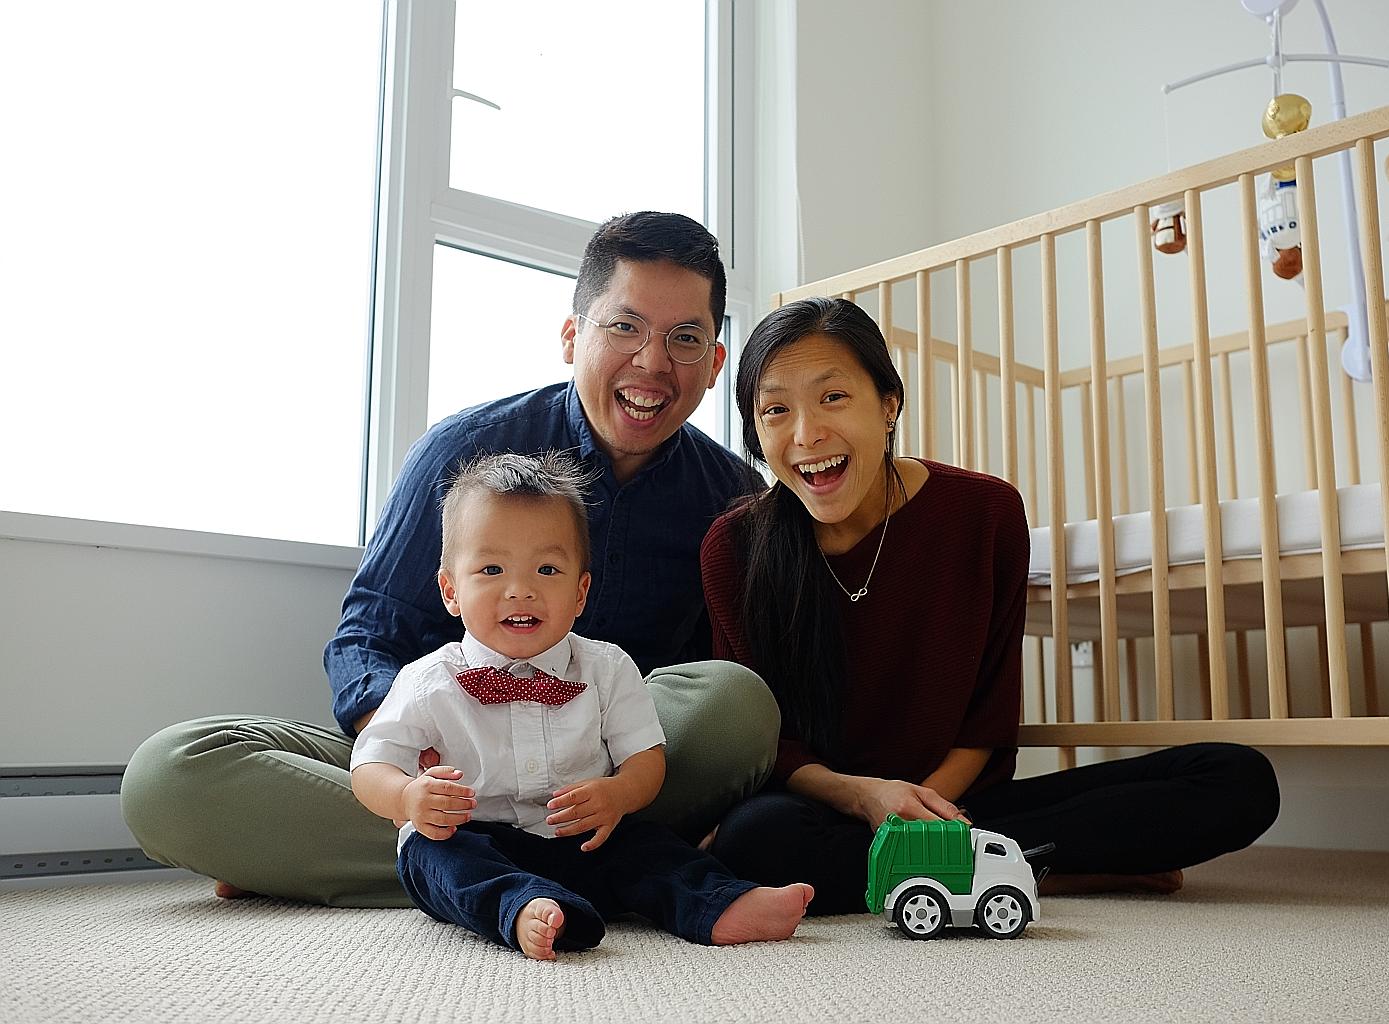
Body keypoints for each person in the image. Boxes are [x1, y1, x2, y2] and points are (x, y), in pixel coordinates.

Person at [121, 212, 775, 907]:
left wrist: (633, 781)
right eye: (625, 327)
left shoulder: (733, 499)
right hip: (443, 778)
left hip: (600, 785)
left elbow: (710, 688)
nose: (652, 362)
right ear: (571, 335)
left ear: (714, 364)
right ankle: (578, 867)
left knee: (738, 705)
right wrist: (409, 771)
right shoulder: (463, 450)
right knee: (169, 776)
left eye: (684, 339)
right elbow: (368, 637)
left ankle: (409, 868)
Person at [701, 296, 1281, 914]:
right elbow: (769, 743)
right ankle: (1044, 870)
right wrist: (864, 796)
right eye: (776, 410)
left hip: (958, 806)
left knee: (1237, 779)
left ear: (889, 404)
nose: (805, 434)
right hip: (823, 804)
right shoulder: (733, 547)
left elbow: (988, 720)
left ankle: (947, 865)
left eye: (833, 397)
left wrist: (922, 821)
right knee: (756, 839)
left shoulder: (986, 513)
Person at [353, 451, 811, 958]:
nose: (520, 590)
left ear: (580, 591)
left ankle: (719, 903)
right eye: (492, 569)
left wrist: (619, 794)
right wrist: (408, 798)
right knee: (431, 854)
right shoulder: (428, 681)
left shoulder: (606, 669)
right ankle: (521, 907)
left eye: (547, 569)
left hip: (583, 840)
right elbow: (370, 766)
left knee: (649, 847)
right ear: (451, 590)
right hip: (475, 839)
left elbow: (646, 758)